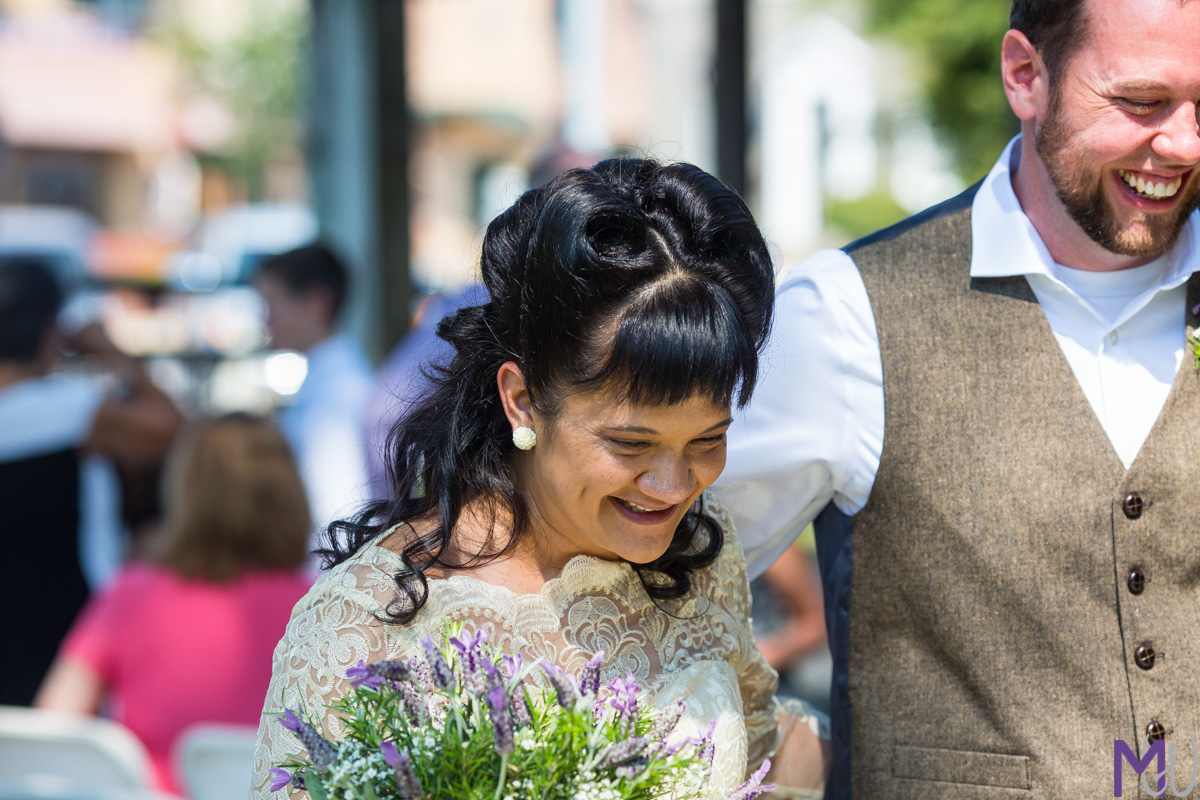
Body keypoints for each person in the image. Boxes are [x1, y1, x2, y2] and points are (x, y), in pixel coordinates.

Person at [716, 0, 1200, 796]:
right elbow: (659, 578)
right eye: (1142, 102)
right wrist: (771, 755)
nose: (1181, 143)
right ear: (1024, 74)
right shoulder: (846, 316)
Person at [251, 159, 831, 797]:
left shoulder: (696, 544)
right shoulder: (367, 624)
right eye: (630, 443)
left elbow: (758, 750)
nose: (672, 486)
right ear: (522, 400)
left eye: (707, 440)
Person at [36, 414, 314, 796]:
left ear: (184, 491)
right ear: (291, 492)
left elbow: (51, 731)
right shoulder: (326, 607)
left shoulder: (130, 597)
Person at [0, 257, 182, 707]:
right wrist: (113, 349)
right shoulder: (73, 413)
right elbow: (174, 428)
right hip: (72, 627)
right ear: (49, 329)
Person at [253, 243, 375, 558]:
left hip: (325, 581)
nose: (266, 321)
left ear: (316, 302)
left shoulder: (339, 392)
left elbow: (338, 516)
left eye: (272, 304)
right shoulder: (328, 380)